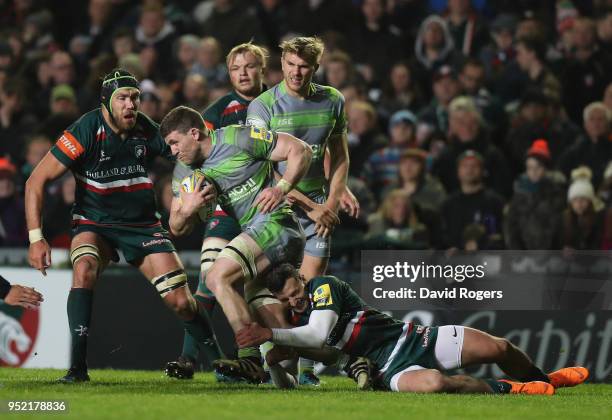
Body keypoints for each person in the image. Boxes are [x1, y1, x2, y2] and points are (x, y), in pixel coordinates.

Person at [25, 69, 217, 383]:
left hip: (143, 226)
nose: (130, 105)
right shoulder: (84, 131)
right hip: (95, 224)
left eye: (135, 98)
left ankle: (222, 364)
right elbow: (36, 181)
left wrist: (195, 188)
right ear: (106, 103)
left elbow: (185, 156)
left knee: (181, 301)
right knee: (83, 268)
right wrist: (37, 238)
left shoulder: (147, 130)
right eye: (123, 99)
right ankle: (77, 369)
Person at [236, 263, 589, 394]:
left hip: (412, 337)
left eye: (298, 292)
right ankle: (513, 389)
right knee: (436, 384)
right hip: (388, 368)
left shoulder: (322, 286)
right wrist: (272, 362)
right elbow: (288, 382)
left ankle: (547, 378)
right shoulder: (291, 325)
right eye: (289, 300)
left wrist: (271, 336)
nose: (297, 301)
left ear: (302, 277)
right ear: (279, 299)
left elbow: (317, 334)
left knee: (499, 347)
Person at [159, 105, 312, 384]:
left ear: (194, 133)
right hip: (261, 239)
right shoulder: (184, 171)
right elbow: (175, 227)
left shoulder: (238, 137)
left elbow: (301, 150)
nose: (172, 151)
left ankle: (249, 358)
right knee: (284, 355)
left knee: (217, 276)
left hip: (277, 226)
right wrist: (187, 209)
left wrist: (281, 188)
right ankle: (345, 354)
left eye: (174, 143)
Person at [246, 36, 359, 384]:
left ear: (315, 67)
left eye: (304, 66)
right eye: (291, 64)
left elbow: (339, 155)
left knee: (308, 292)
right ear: (281, 64)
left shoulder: (332, 101)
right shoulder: (262, 107)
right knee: (281, 293)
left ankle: (306, 372)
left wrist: (332, 199)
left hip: (317, 213)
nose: (297, 72)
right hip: (276, 210)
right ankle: (273, 362)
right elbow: (267, 168)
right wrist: (314, 207)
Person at [165, 42, 270, 380]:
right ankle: (191, 357)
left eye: (250, 66)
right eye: (236, 68)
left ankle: (271, 360)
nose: (243, 73)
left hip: (270, 204)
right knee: (211, 272)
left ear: (262, 69)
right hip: (227, 206)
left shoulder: (280, 103)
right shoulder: (218, 110)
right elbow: (188, 155)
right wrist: (183, 199)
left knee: (271, 288)